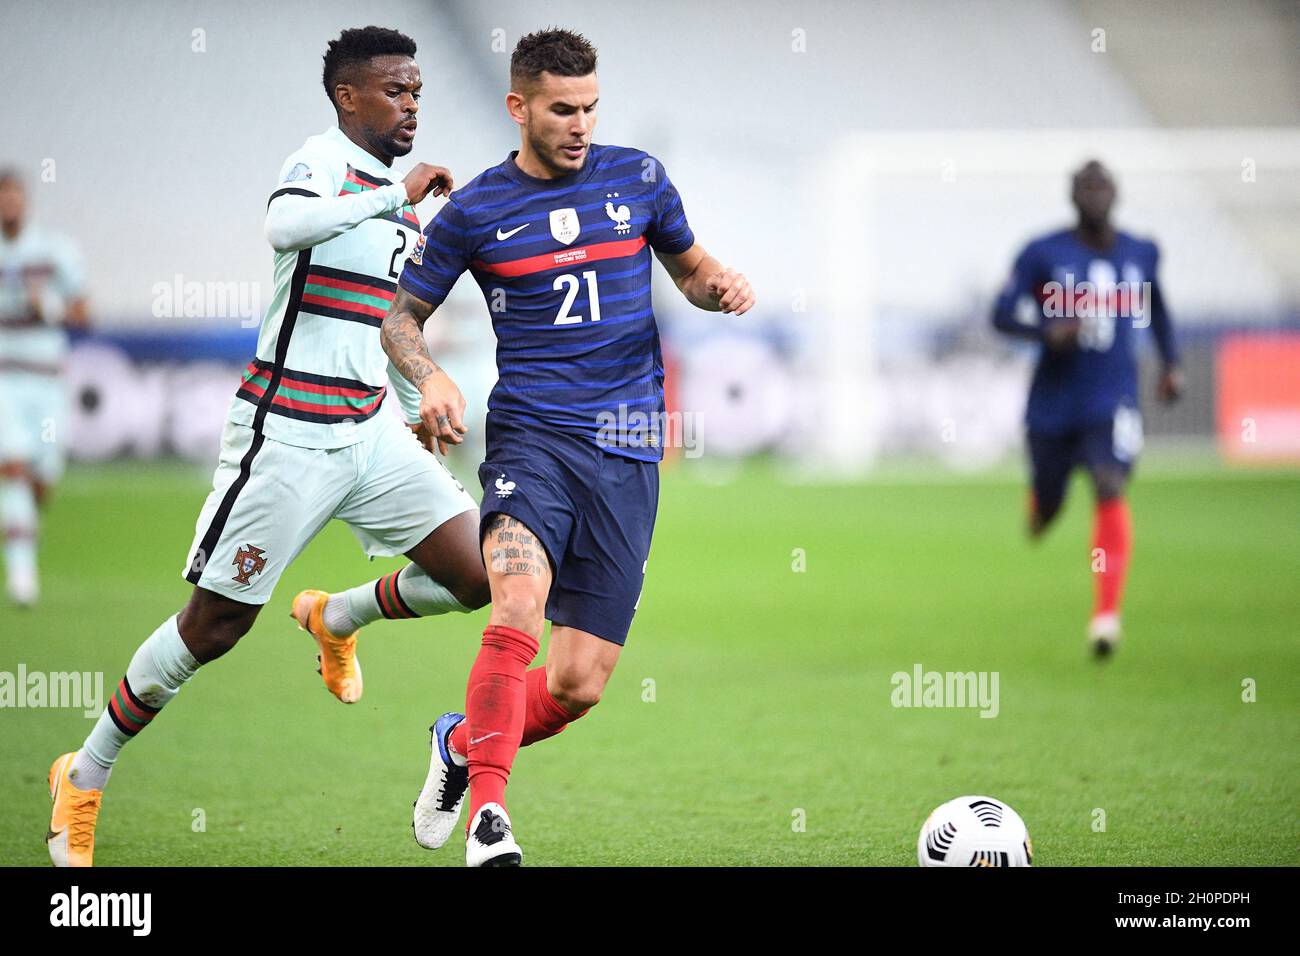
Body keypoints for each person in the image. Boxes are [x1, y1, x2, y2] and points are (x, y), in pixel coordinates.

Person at [46, 26, 489, 867]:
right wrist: (392, 197)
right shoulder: (320, 164)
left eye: (419, 91)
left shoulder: (396, 201)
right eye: (396, 91)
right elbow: (283, 227)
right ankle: (85, 770)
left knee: (480, 578)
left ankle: (337, 615)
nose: (411, 105)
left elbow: (385, 322)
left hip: (369, 432)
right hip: (286, 435)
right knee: (214, 627)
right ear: (348, 96)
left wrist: (414, 414)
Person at [383, 28, 756, 865]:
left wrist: (718, 284)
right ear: (519, 108)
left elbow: (689, 270)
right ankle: (491, 822)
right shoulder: (477, 210)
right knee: (515, 601)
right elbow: (401, 319)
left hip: (628, 446)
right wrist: (430, 380)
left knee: (577, 684)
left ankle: (457, 745)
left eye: (590, 107)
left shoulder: (642, 178)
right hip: (534, 439)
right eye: (562, 109)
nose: (580, 123)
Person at [992, 159, 1183, 656]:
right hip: (1053, 403)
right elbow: (1000, 314)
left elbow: (1157, 307)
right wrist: (1044, 332)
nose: (1095, 195)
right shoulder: (1042, 252)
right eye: (1086, 187)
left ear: (1116, 193)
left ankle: (1105, 616)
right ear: (1072, 196)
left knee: (1109, 483)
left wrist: (1172, 364)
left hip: (1112, 397)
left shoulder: (1142, 252)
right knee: (1050, 506)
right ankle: (1040, 505)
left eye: (1103, 186)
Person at [0, 170, 89, 607]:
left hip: (47, 380)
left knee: (40, 481)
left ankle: (19, 529)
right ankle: (21, 575)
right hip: (4, 380)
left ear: (25, 201)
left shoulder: (53, 252)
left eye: (14, 197)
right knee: (11, 466)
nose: (8, 205)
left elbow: (84, 313)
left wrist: (48, 305)